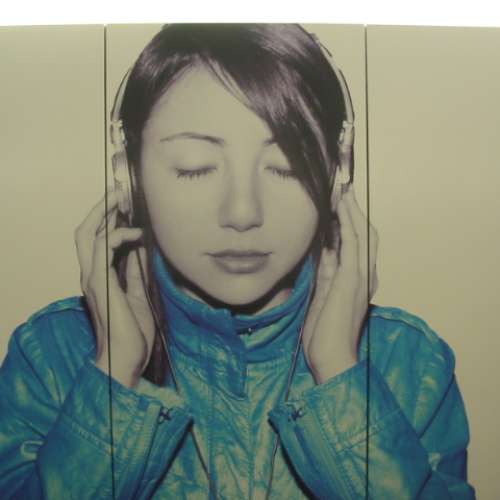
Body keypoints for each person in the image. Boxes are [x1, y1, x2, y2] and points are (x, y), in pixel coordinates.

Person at [0, 23, 475, 499]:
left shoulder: (410, 365)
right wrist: (113, 380)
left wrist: (339, 375)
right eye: (195, 167)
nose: (243, 213)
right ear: (130, 178)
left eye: (287, 166)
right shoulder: (49, 358)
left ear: (337, 176)